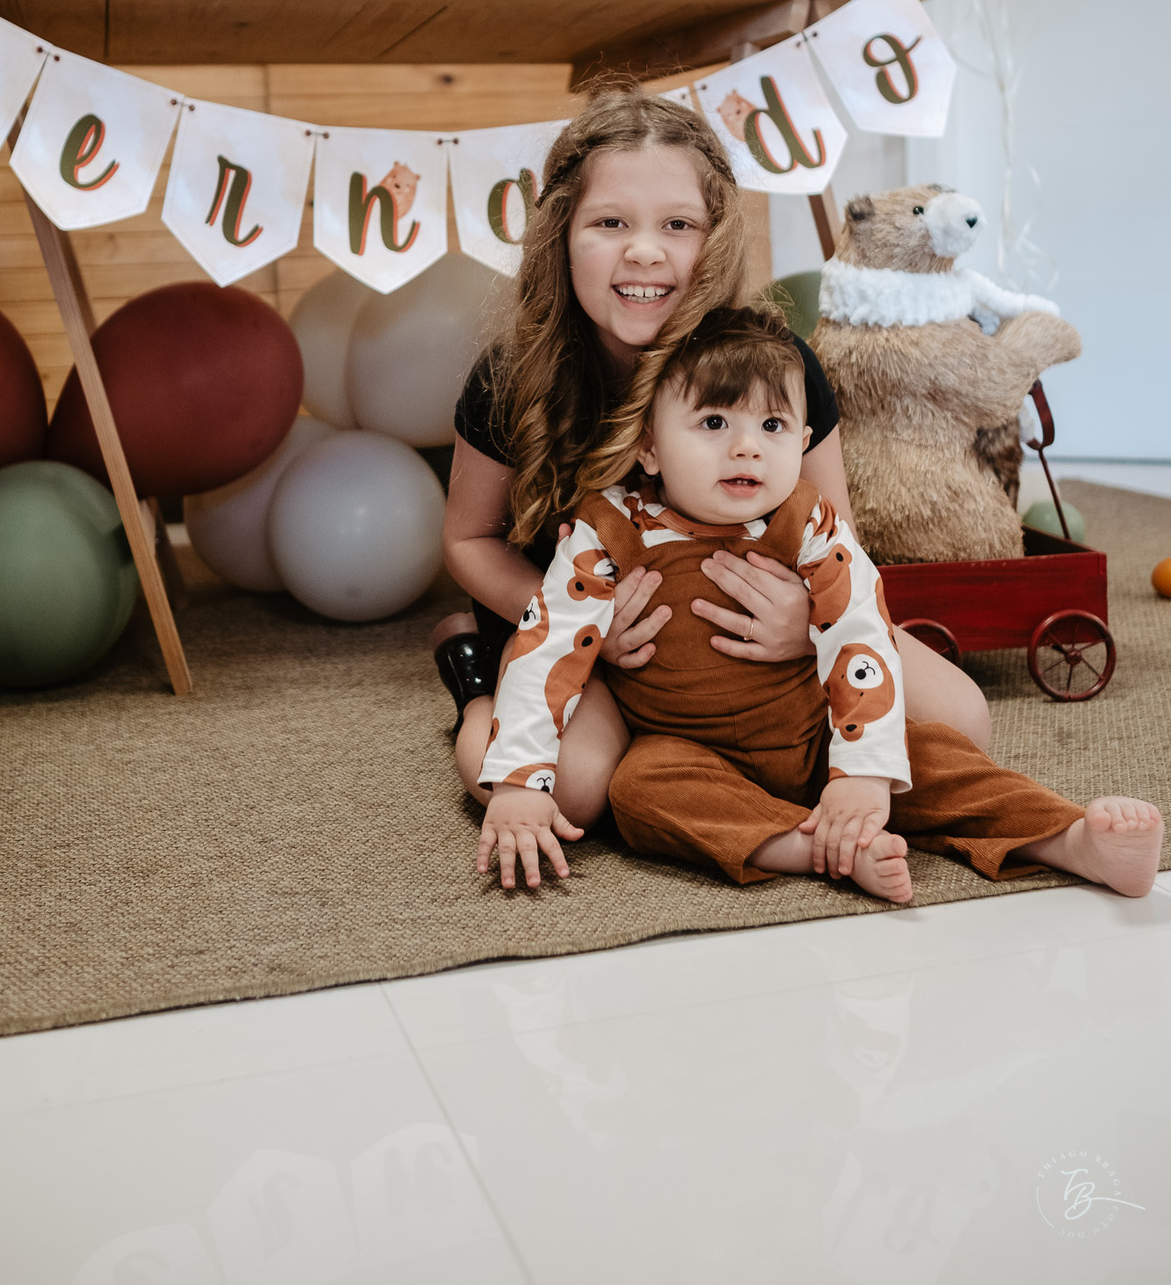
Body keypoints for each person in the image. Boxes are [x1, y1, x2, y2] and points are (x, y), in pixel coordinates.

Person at [436, 83, 991, 833]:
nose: (645, 250)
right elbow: (467, 541)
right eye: (610, 222)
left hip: (747, 621)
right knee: (574, 788)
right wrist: (585, 620)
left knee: (960, 723)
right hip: (572, 622)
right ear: (561, 233)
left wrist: (807, 620)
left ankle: (691, 744)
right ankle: (473, 677)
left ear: (717, 236)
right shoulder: (513, 377)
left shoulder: (774, 366)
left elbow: (838, 535)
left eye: (678, 224)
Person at [474, 305, 1163, 900]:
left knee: (936, 756)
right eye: (713, 422)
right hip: (683, 746)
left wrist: (861, 772)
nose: (747, 448)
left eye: (772, 426)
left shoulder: (810, 524)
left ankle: (1067, 838)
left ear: (803, 444)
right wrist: (518, 784)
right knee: (641, 790)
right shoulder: (609, 528)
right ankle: (808, 847)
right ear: (649, 448)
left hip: (819, 736)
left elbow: (862, 635)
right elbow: (546, 647)